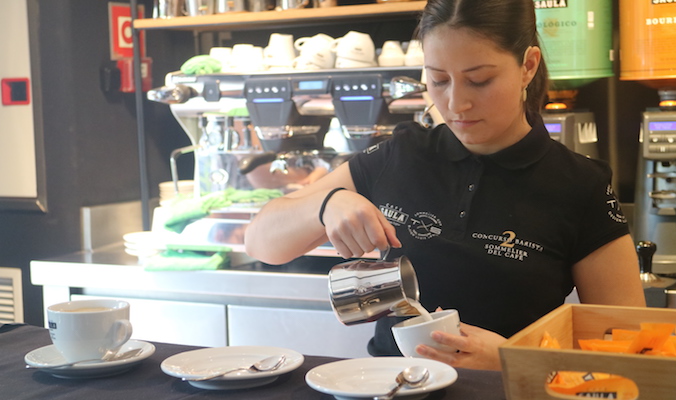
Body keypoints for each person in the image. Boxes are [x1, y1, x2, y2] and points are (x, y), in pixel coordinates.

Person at [244, 0, 646, 371]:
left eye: (480, 80)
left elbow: (630, 346)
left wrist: (515, 359)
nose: (456, 104)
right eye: (438, 80)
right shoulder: (402, 153)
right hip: (392, 386)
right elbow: (261, 243)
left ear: (528, 66)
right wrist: (327, 204)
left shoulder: (580, 185)